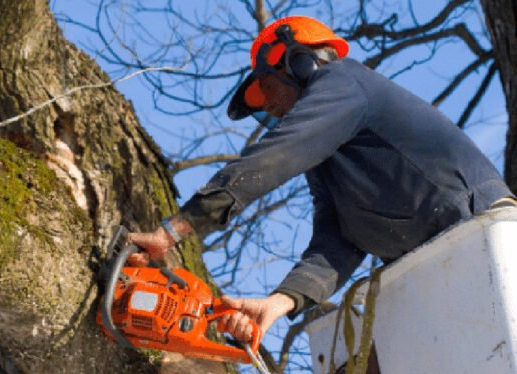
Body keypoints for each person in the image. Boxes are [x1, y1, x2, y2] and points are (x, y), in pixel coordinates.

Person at [129, 16, 516, 343]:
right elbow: (338, 240)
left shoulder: (345, 83)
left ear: (299, 63)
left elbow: (276, 155)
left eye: (267, 89)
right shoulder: (328, 155)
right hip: (438, 266)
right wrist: (279, 302)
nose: (272, 107)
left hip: (481, 233)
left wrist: (174, 230)